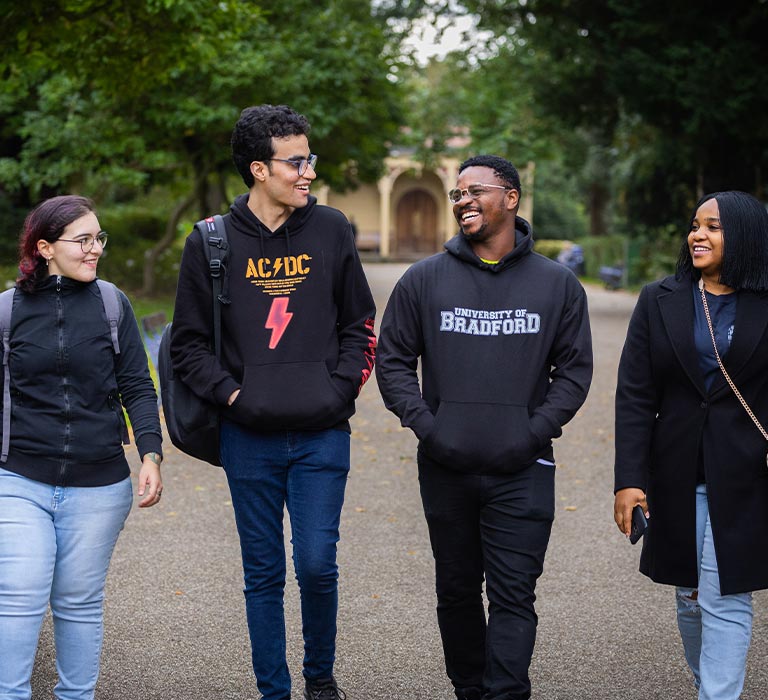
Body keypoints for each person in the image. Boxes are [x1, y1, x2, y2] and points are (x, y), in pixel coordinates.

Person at [169, 104, 376, 700]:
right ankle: (273, 691)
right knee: (262, 573)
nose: (309, 170)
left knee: (316, 563)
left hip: (322, 434)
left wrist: (337, 389)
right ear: (260, 169)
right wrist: (235, 394)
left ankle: (320, 681)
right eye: (297, 161)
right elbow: (186, 345)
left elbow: (360, 322)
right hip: (247, 437)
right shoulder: (210, 240)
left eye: (309, 158)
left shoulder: (333, 228)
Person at [376, 155, 593, 700]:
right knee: (455, 591)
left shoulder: (558, 285)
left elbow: (573, 373)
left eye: (476, 190)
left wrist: (532, 431)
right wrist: (429, 427)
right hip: (446, 466)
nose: (463, 200)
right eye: (456, 194)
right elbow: (393, 360)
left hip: (523, 468)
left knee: (514, 595)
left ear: (511, 198)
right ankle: (469, 690)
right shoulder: (423, 280)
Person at [0, 195, 163, 700]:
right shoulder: (7, 311)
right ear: (45, 248)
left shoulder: (112, 303)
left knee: (77, 601)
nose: (95, 249)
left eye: (99, 238)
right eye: (83, 240)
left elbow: (137, 383)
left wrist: (150, 454)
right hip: (19, 477)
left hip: (100, 484)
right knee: (20, 592)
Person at [613, 191, 768, 700]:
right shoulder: (661, 298)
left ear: (743, 235)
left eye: (714, 227)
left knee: (725, 595)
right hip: (676, 472)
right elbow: (635, 397)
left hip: (747, 474)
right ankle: (709, 681)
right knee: (690, 596)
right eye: (695, 225)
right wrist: (629, 481)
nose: (698, 235)